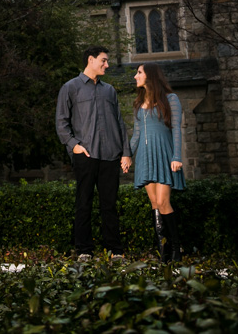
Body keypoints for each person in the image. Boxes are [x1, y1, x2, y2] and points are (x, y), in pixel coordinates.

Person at [56, 46, 132, 260]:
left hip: (111, 155)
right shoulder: (70, 88)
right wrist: (74, 146)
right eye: (104, 60)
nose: (107, 65)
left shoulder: (110, 91)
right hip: (85, 155)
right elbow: (61, 123)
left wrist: (126, 152)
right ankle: (84, 250)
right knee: (84, 203)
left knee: (110, 205)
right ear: (91, 60)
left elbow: (119, 122)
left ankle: (115, 250)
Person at [130, 63, 185, 261]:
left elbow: (176, 128)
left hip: (163, 154)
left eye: (139, 73)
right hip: (145, 156)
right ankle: (163, 251)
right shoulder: (138, 103)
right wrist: (127, 155)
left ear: (150, 76)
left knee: (163, 202)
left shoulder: (170, 99)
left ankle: (176, 250)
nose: (136, 76)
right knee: (154, 203)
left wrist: (177, 157)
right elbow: (136, 135)